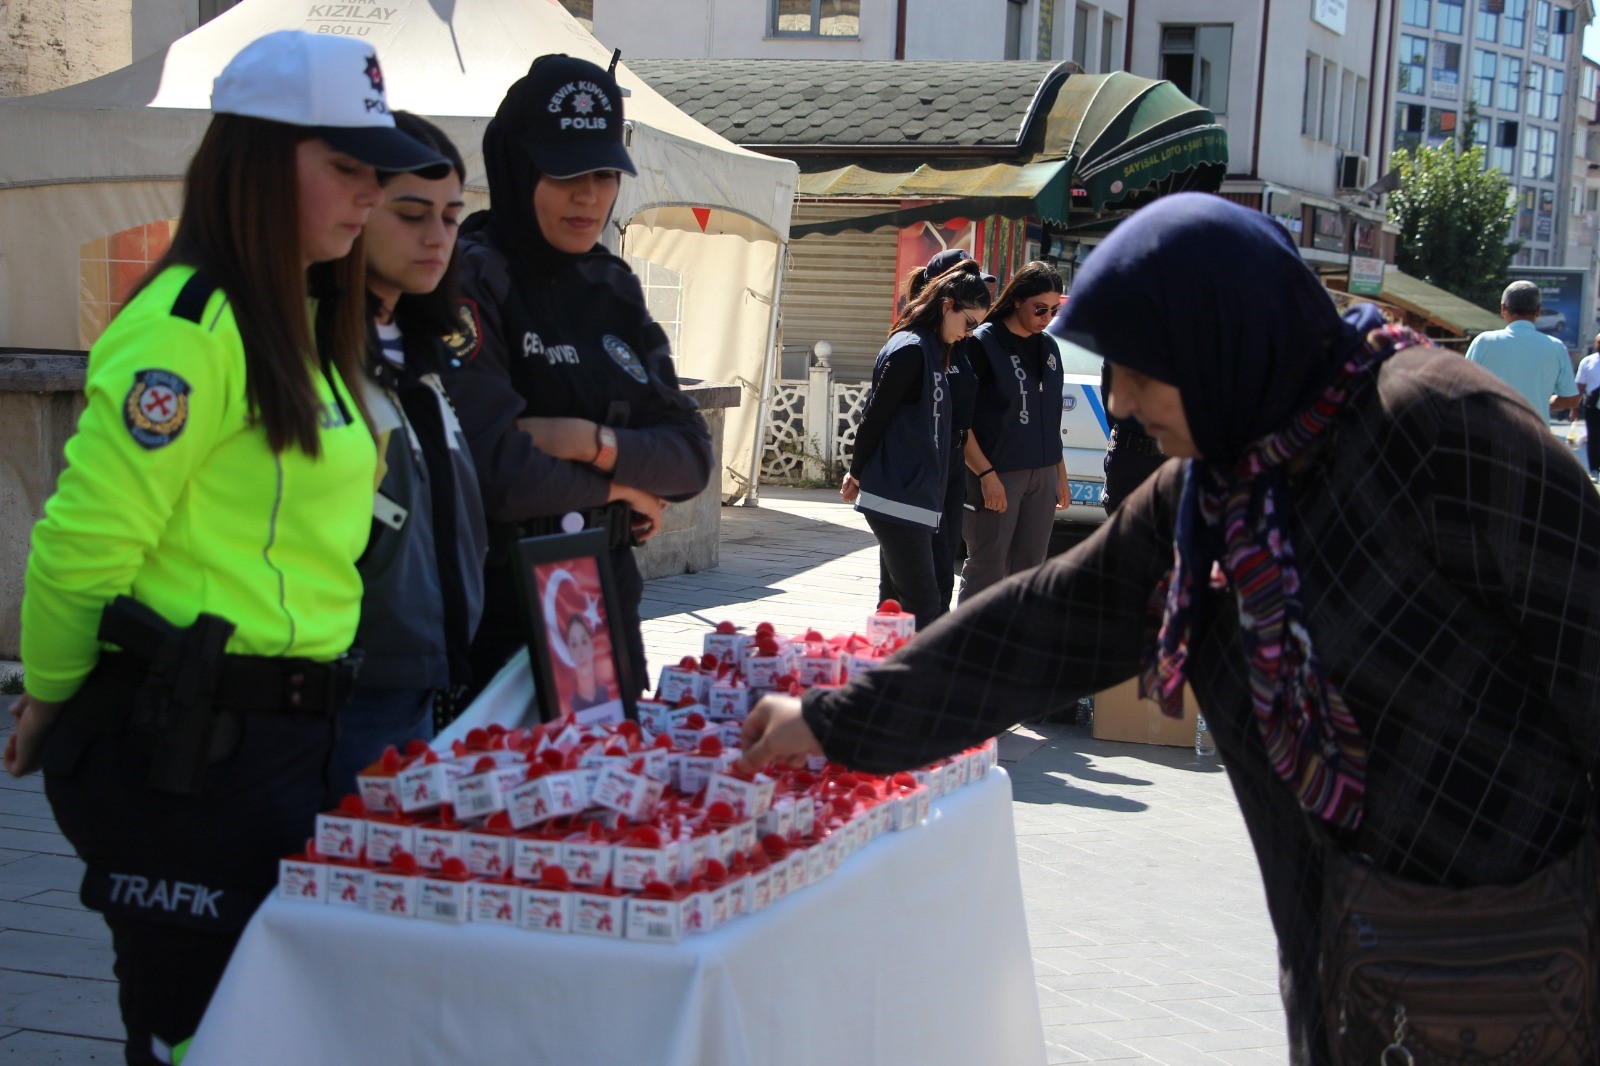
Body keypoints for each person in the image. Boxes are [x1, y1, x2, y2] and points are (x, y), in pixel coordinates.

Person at [738, 194, 1600, 1065]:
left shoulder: (1443, 428)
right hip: (1342, 951)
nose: (1119, 397)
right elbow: (1052, 620)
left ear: (1223, 338)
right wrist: (837, 720)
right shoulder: (1220, 486)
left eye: (1143, 367)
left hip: (1514, 951)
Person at [1, 31, 447, 1065]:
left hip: (283, 740)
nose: (367, 195)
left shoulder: (298, 321)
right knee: (206, 1034)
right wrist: (51, 702)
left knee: (262, 1031)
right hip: (189, 749)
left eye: (372, 170)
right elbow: (79, 549)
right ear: (252, 159)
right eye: (343, 167)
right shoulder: (189, 326)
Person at [445, 54, 712, 703]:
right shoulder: (470, 278)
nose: (588, 195)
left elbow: (691, 457)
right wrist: (623, 487)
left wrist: (589, 442)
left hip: (605, 616)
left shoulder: (611, 284)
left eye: (603, 173)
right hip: (501, 629)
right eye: (564, 173)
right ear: (516, 166)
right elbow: (497, 473)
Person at [329, 112, 488, 799]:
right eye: (412, 213)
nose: (437, 237)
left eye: (451, 216)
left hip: (423, 673)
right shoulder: (312, 355)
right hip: (348, 686)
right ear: (353, 212)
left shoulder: (427, 353)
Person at [842, 269, 992, 631]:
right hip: (897, 496)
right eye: (968, 323)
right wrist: (856, 472)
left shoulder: (934, 347)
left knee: (895, 605)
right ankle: (921, 683)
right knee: (923, 607)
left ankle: (880, 678)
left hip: (915, 495)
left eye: (975, 327)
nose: (968, 333)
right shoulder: (910, 349)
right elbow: (873, 418)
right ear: (947, 305)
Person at [959, 262, 1066, 600]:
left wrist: (1059, 473)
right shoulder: (982, 343)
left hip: (1043, 472)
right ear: (1017, 300)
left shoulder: (1049, 347)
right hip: (997, 474)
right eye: (1039, 309)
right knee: (986, 570)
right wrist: (986, 474)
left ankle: (1016, 651)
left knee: (1030, 573)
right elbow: (961, 422)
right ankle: (964, 648)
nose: (1046, 317)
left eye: (1054, 310)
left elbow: (1050, 415)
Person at [896, 250, 985, 612]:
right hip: (919, 464)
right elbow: (882, 412)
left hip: (952, 463)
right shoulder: (915, 344)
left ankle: (931, 641)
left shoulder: (963, 342)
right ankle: (898, 644)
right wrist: (859, 472)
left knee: (945, 557)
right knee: (911, 568)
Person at [1464, 279, 1579, 421]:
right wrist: (1543, 403)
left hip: (1490, 434)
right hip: (1536, 435)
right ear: (1538, 311)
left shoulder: (1483, 342)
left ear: (1503, 309)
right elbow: (1571, 399)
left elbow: (1462, 388)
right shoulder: (1556, 347)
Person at [563, 613, 612, 713]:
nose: (581, 652)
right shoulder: (569, 706)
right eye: (574, 645)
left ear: (592, 645)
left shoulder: (609, 693)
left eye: (584, 642)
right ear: (569, 653)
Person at [1576, 331, 1600, 480]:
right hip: (1593, 407)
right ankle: (1594, 469)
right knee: (1593, 438)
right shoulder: (1588, 361)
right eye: (1598, 342)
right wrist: (1574, 408)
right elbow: (1580, 386)